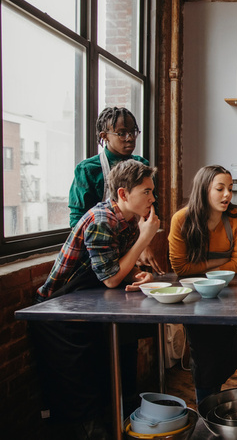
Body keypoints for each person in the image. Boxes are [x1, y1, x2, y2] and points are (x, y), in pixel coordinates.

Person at [32, 159, 160, 439]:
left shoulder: (126, 220)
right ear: (124, 194)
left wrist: (138, 274)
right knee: (81, 383)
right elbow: (112, 278)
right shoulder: (101, 220)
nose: (153, 198)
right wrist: (145, 237)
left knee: (120, 351)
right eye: (146, 192)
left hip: (89, 297)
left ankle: (122, 417)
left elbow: (116, 268)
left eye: (152, 191)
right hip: (58, 309)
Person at [168, 165, 237, 404]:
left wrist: (204, 266)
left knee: (228, 355)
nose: (227, 195)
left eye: (230, 189)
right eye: (220, 189)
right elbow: (181, 269)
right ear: (204, 190)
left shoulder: (236, 217)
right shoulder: (181, 219)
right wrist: (223, 261)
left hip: (227, 296)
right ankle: (205, 408)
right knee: (204, 357)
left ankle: (216, 404)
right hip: (195, 299)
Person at [68, 106, 163, 274]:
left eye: (133, 132)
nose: (130, 138)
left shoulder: (142, 165)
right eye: (122, 133)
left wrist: (143, 245)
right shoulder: (87, 169)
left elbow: (148, 212)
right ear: (104, 136)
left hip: (131, 247)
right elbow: (78, 221)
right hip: (97, 254)